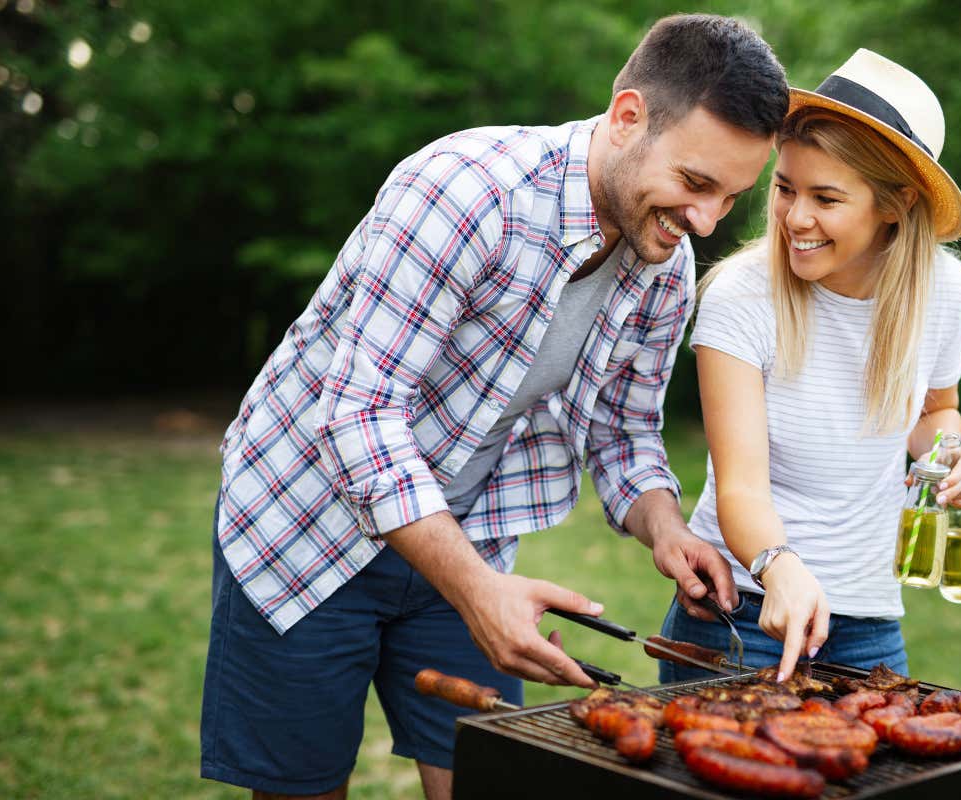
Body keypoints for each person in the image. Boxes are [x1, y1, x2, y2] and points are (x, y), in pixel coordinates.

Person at [201, 14, 790, 800]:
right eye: (695, 182)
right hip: (303, 528)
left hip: (466, 536)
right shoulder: (465, 192)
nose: (708, 221)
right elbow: (358, 417)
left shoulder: (665, 261)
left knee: (490, 781)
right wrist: (478, 592)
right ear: (627, 118)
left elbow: (623, 430)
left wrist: (666, 528)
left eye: (731, 196)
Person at [657, 49, 961, 687]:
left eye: (826, 197)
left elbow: (934, 411)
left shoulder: (946, 291)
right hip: (744, 608)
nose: (796, 218)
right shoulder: (741, 295)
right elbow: (741, 488)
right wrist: (781, 566)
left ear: (894, 206)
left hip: (870, 618)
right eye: (785, 189)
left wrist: (952, 456)